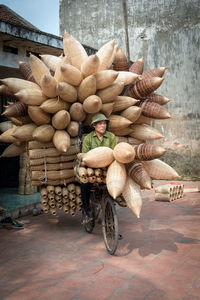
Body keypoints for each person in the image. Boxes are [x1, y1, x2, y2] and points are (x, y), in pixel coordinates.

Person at [80, 113, 116, 224]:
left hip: (107, 169)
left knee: (113, 188)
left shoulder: (111, 137)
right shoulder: (88, 138)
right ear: (94, 126)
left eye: (104, 123)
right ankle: (86, 211)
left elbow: (114, 154)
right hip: (92, 170)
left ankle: (111, 220)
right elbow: (85, 156)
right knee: (84, 184)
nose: (103, 126)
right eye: (100, 123)